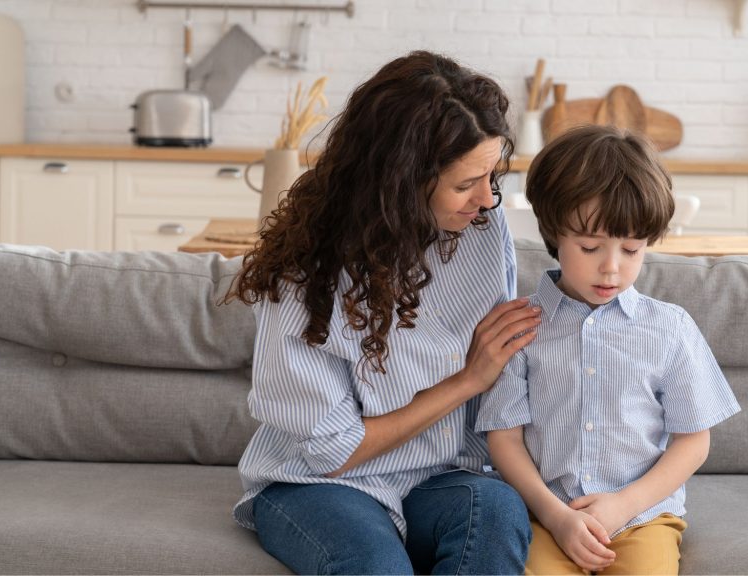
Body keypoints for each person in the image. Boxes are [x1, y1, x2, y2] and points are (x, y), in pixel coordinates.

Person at [227, 51, 539, 575]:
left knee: (498, 512)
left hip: (441, 477)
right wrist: (467, 381)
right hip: (320, 485)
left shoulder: (483, 230)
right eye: (465, 184)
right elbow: (333, 451)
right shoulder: (304, 277)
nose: (486, 200)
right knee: (374, 564)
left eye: (492, 177)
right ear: (400, 182)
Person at [475, 125, 741, 575]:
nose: (612, 268)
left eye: (633, 249)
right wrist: (557, 517)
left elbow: (693, 441)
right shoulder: (521, 327)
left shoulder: (669, 328)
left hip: (641, 520)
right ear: (554, 232)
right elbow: (504, 439)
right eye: (590, 247)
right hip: (547, 517)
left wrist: (623, 506)